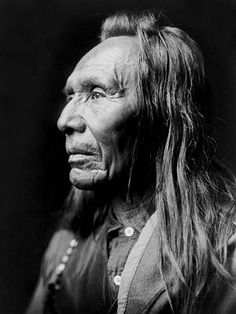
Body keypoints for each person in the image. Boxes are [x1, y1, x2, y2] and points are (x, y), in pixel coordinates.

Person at [26, 11, 236, 314]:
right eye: (71, 95)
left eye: (97, 94)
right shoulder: (64, 252)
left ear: (163, 116)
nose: (65, 120)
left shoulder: (225, 251)